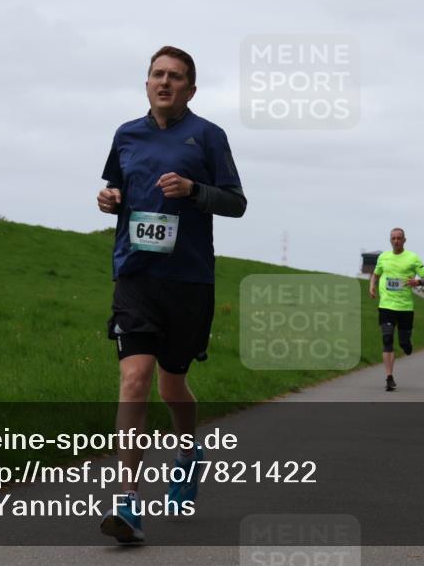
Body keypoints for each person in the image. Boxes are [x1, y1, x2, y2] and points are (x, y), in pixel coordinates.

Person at [96, 46, 246, 543]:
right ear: (146, 84)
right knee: (134, 379)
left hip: (188, 281)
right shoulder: (126, 135)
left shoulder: (208, 136)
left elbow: (236, 202)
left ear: (191, 89)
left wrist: (193, 189)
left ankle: (187, 454)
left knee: (171, 387)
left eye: (176, 77)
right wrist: (108, 199)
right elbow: (114, 191)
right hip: (135, 276)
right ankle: (128, 502)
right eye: (157, 75)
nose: (165, 83)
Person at [369, 228, 424, 391]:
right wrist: (372, 286)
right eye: (393, 238)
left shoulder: (412, 258)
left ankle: (406, 343)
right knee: (387, 339)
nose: (396, 241)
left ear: (404, 240)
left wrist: (417, 283)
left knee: (403, 342)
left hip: (405, 308)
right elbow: (376, 274)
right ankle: (389, 377)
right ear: (390, 240)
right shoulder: (383, 257)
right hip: (386, 305)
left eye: (399, 238)